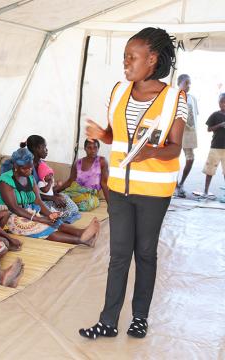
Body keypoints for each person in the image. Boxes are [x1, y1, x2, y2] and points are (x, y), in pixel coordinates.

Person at [80, 27, 186, 339]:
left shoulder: (174, 99)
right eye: (125, 57)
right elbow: (117, 136)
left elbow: (175, 148)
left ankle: (140, 317)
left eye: (131, 57)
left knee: (145, 253)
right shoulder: (118, 92)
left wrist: (149, 152)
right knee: (119, 254)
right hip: (119, 190)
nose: (125, 63)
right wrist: (103, 135)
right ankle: (108, 321)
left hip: (154, 192)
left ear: (152, 60)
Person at [0, 148, 100, 245]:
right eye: (25, 168)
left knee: (55, 221)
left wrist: (50, 215)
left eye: (30, 167)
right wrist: (40, 219)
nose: (29, 170)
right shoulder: (5, 181)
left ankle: (83, 233)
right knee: (42, 227)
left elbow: (38, 201)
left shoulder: (30, 178)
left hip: (29, 211)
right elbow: (15, 208)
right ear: (15, 166)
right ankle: (81, 240)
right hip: (10, 216)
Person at [21, 135, 81, 222]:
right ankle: (54, 217)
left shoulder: (41, 165)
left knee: (68, 201)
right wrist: (52, 198)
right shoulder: (27, 167)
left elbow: (46, 188)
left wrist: (55, 194)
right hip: (32, 201)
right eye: (44, 147)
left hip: (44, 197)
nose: (47, 150)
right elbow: (29, 194)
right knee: (44, 208)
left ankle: (58, 216)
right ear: (36, 149)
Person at [57, 139, 110, 205]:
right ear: (85, 148)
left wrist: (110, 204)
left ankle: (70, 204)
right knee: (60, 197)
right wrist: (57, 191)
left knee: (85, 203)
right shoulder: (78, 163)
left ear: (98, 148)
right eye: (89, 148)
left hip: (91, 195)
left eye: (95, 147)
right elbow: (70, 181)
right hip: (75, 191)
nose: (93, 150)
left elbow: (104, 183)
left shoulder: (102, 161)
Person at [176, 74, 199, 197]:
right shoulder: (173, 97)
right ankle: (174, 184)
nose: (188, 86)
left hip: (189, 133)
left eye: (189, 83)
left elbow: (194, 117)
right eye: (186, 83)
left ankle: (181, 183)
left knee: (190, 159)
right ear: (179, 83)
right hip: (175, 133)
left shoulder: (192, 99)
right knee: (173, 159)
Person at [202, 93, 225, 196]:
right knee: (210, 170)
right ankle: (206, 191)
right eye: (221, 102)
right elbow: (209, 129)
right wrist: (220, 125)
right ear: (218, 103)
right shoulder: (215, 115)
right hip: (215, 147)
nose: (223, 104)